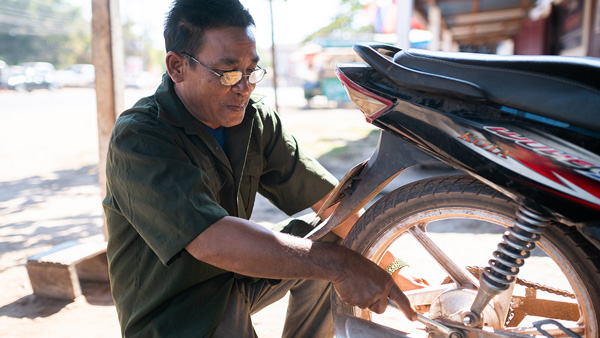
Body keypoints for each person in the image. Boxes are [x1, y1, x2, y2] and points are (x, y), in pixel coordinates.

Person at [103, 0, 423, 337]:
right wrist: (341, 266)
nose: (244, 87)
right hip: (179, 311)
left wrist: (393, 268)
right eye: (227, 72)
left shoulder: (253, 119)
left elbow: (331, 201)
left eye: (251, 70)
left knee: (335, 234)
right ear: (177, 66)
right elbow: (212, 242)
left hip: (232, 278)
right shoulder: (140, 137)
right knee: (332, 259)